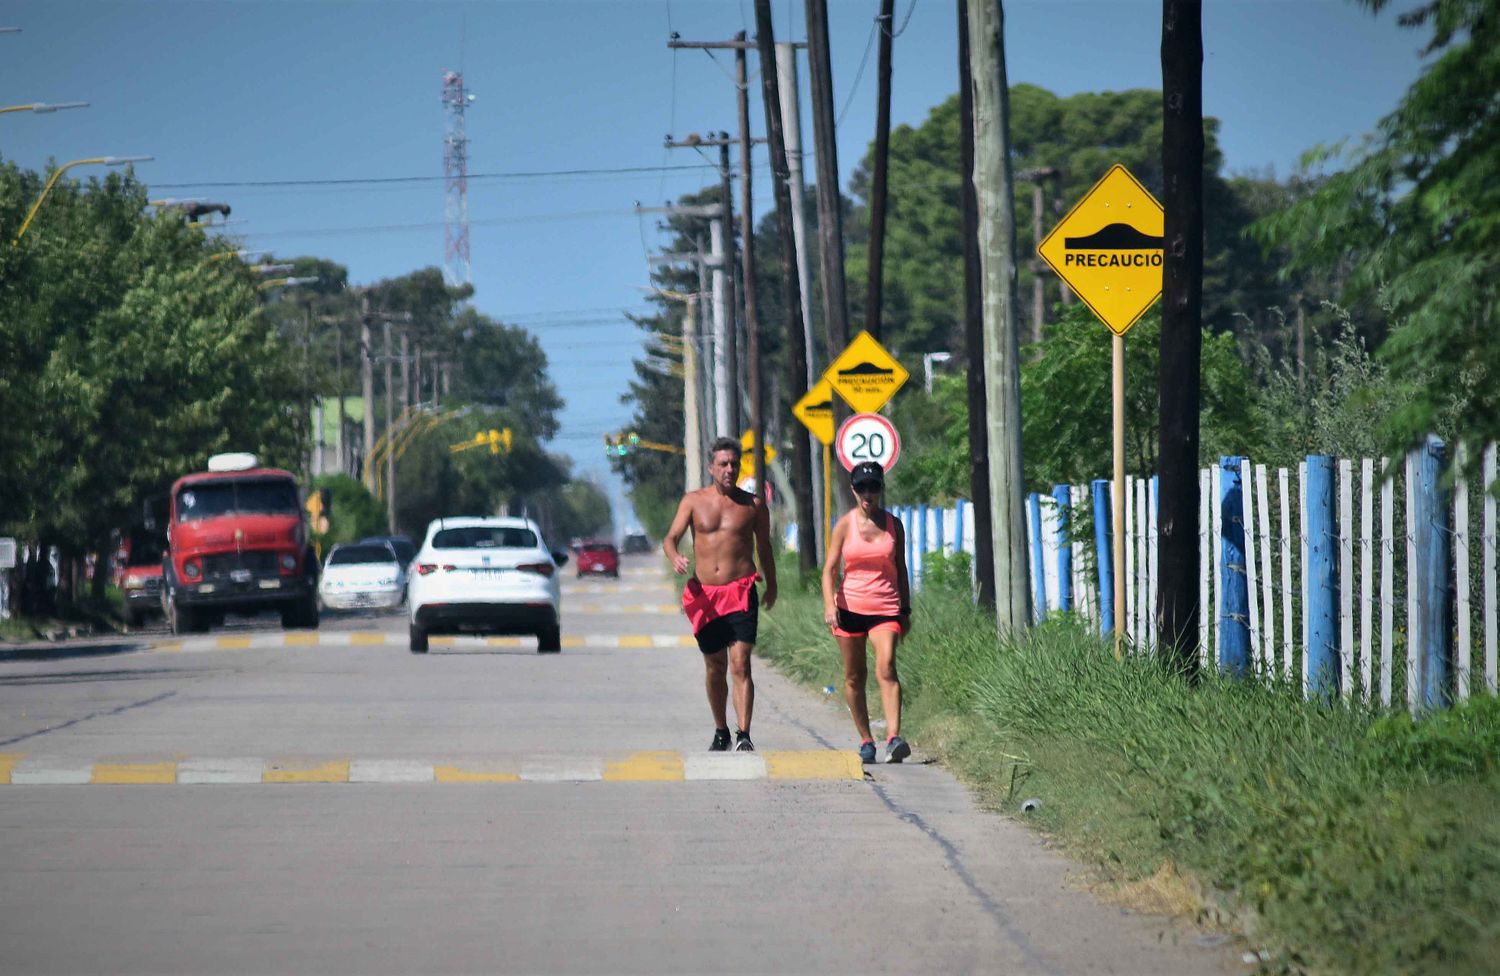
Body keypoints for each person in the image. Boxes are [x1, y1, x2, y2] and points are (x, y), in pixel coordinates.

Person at [663, 436, 779, 752]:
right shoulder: (692, 501)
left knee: (741, 663)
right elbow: (670, 538)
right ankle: (721, 729)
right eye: (723, 464)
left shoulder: (753, 505)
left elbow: (764, 547)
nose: (729, 469)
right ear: (711, 466)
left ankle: (744, 733)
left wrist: (772, 584)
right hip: (705, 597)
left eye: (734, 464)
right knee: (715, 666)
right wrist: (675, 557)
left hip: (741, 590)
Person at [821, 461, 912, 764]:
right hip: (849, 608)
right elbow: (830, 569)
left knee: (886, 666)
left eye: (873, 487)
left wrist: (905, 609)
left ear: (881, 489)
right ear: (853, 490)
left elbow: (901, 568)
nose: (867, 493)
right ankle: (866, 739)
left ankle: (894, 737)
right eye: (862, 487)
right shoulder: (845, 525)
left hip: (886, 608)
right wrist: (829, 605)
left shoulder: (893, 524)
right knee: (853, 675)